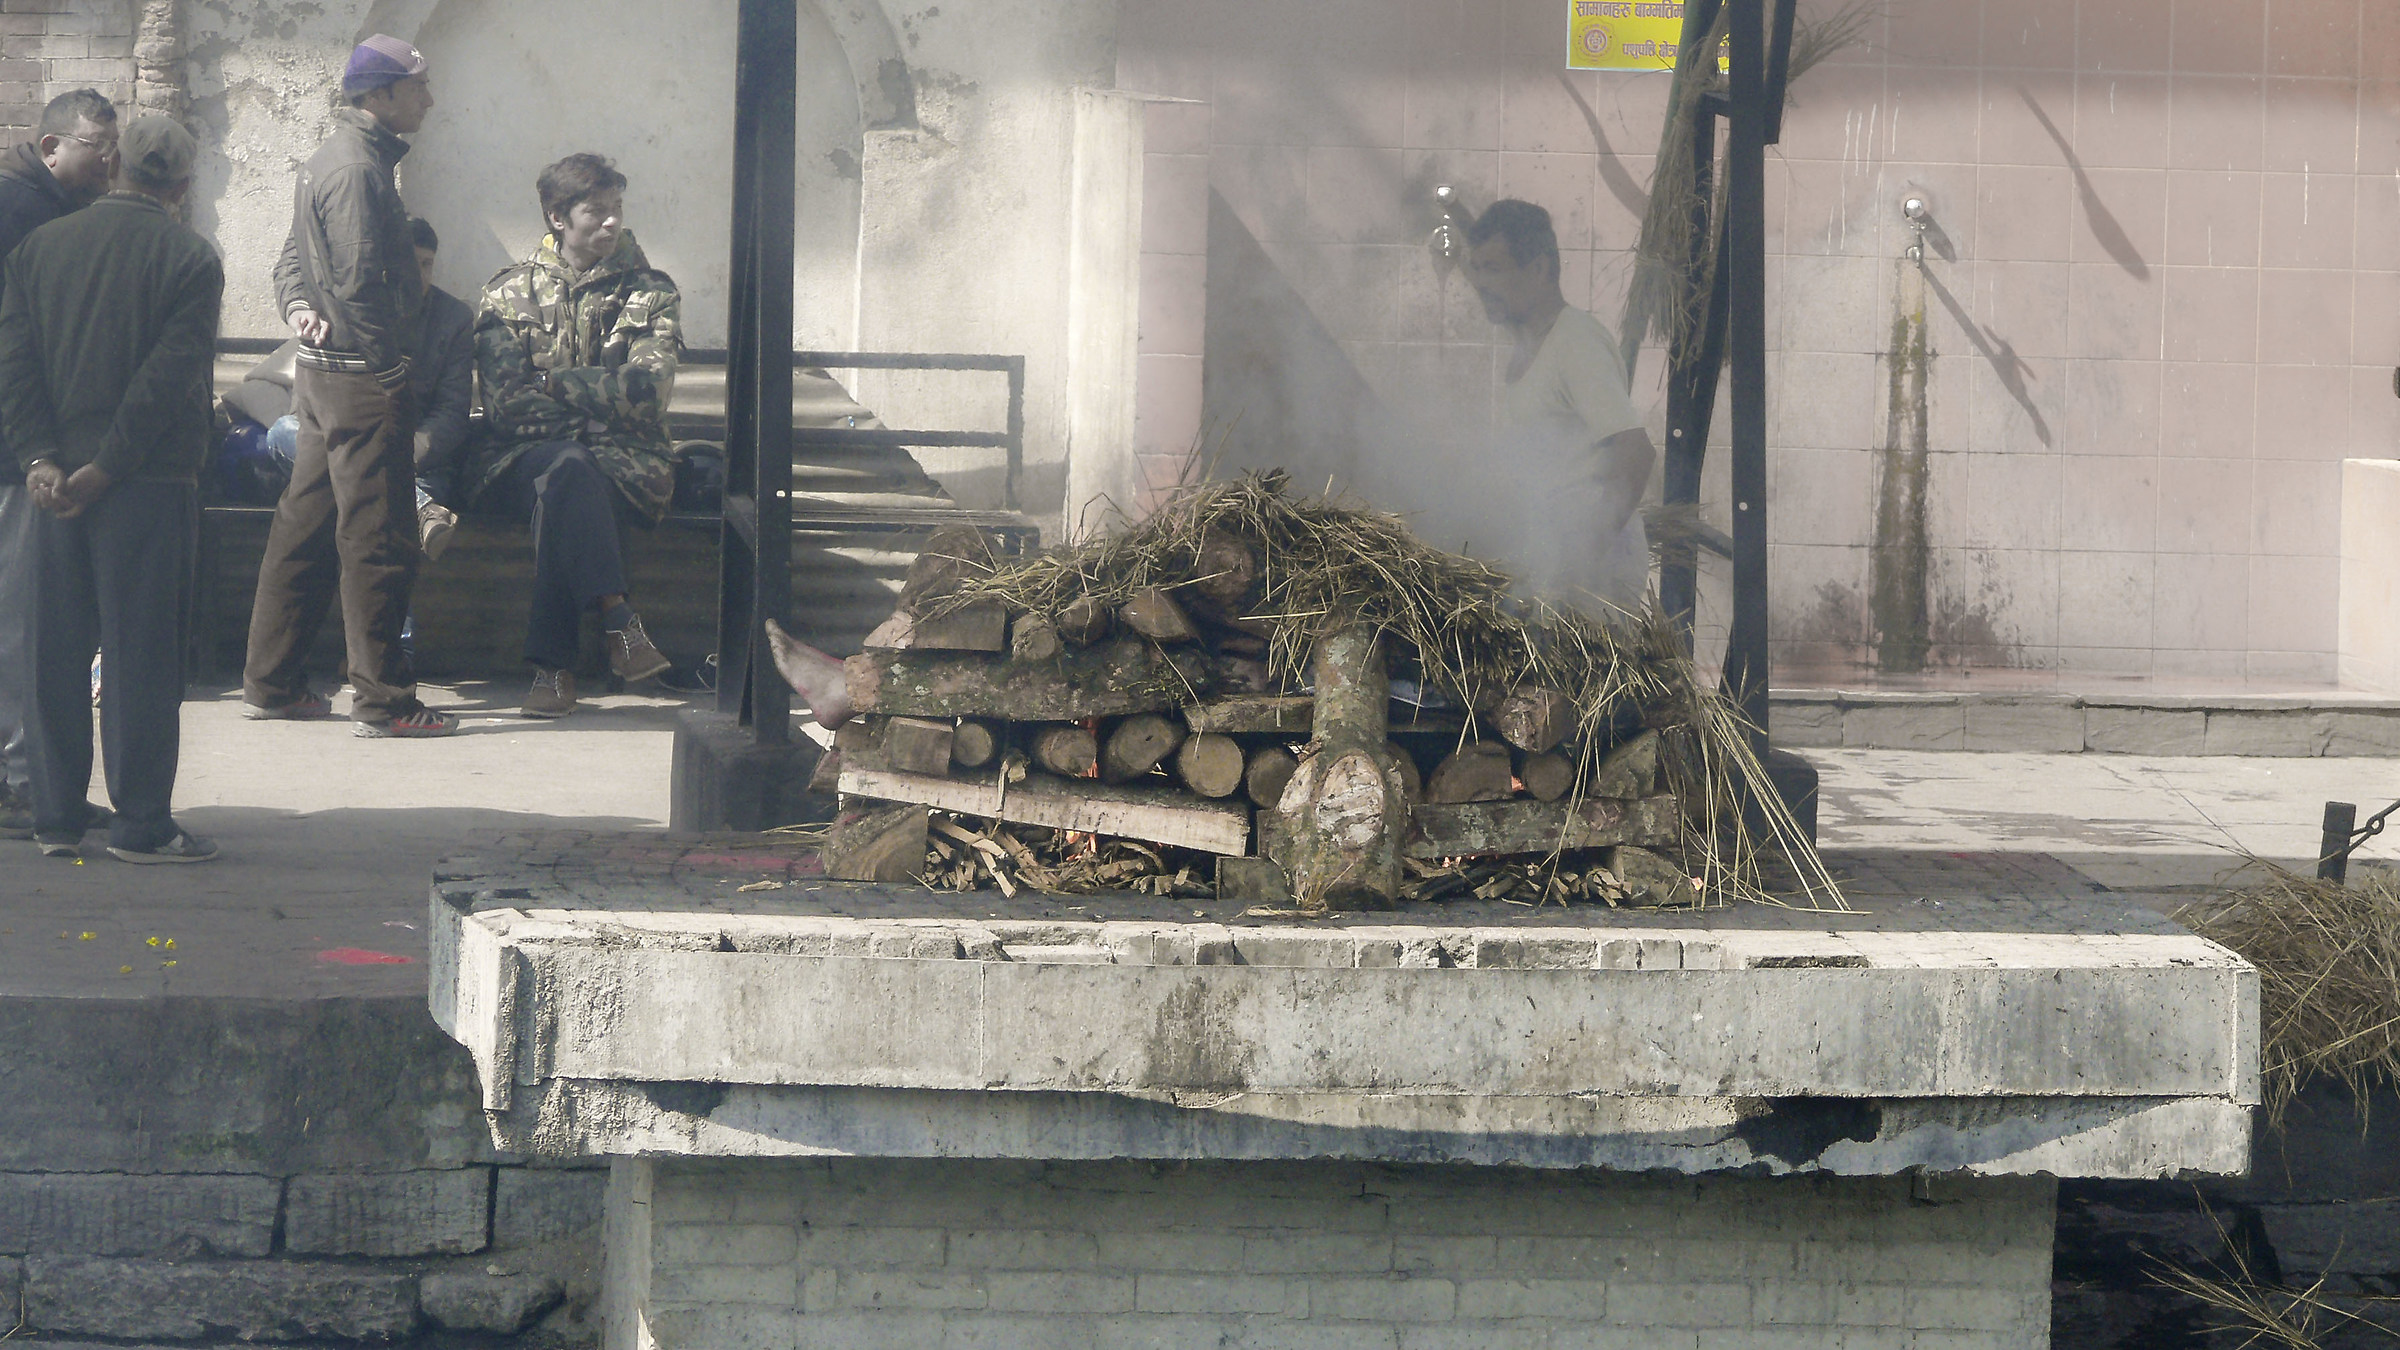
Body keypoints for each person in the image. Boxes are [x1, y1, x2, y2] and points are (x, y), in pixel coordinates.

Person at [0, 114, 224, 861]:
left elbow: (16, 364)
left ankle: (56, 818)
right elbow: (166, 383)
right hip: (146, 484)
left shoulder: (39, 249)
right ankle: (140, 825)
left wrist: (40, 459)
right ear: (182, 185)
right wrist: (110, 467)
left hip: (50, 486)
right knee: (141, 654)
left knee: (54, 649)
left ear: (115, 166)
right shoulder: (190, 258)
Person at [241, 35, 456, 737]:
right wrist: (390, 365)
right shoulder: (361, 170)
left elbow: (292, 260)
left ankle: (271, 684)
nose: (427, 98)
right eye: (416, 86)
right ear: (380, 96)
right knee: (380, 538)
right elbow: (362, 281)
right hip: (363, 383)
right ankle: (383, 701)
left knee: (302, 529)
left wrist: (299, 306)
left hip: (320, 381)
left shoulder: (328, 161)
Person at [463, 152, 678, 718]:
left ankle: (553, 670)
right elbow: (507, 409)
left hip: (627, 466)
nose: (612, 222)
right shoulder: (508, 295)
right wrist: (600, 404)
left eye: (617, 210)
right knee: (565, 471)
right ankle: (618, 621)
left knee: (565, 482)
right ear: (558, 217)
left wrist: (551, 384)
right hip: (516, 460)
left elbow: (648, 393)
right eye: (597, 211)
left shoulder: (650, 292)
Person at [0, 88, 117, 840]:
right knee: (20, 622)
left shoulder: (46, 208)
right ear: (50, 148)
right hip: (21, 452)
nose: (109, 162)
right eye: (95, 148)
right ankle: (17, 780)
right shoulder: (25, 217)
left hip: (23, 445)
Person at [1460, 198, 1658, 620]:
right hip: (1550, 553)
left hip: (1592, 565)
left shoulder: (1576, 342)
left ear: (1539, 269)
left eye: (1493, 269)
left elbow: (1635, 450)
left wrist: (1583, 558)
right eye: (1476, 270)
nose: (1480, 284)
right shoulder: (1529, 347)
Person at [235, 215, 472, 555]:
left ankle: (409, 506)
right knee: (285, 432)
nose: (419, 274)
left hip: (414, 463)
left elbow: (451, 414)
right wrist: (364, 457)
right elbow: (312, 403)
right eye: (411, 262)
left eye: (427, 264)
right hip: (346, 448)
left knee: (356, 506)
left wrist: (395, 459)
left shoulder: (453, 320)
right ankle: (421, 511)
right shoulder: (346, 311)